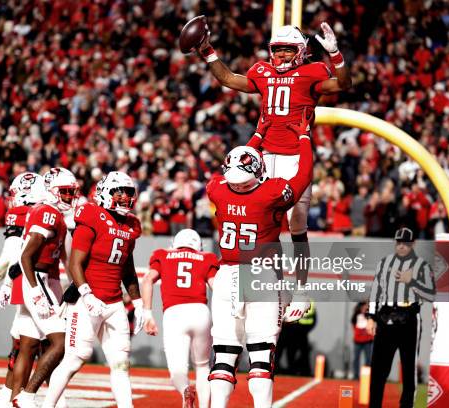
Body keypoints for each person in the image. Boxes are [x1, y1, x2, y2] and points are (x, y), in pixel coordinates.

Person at [196, 21, 351, 284]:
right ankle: (273, 283)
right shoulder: (262, 70)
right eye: (277, 49)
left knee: (297, 227)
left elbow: (343, 84)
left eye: (287, 50)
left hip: (295, 157)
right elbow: (228, 78)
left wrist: (335, 55)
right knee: (265, 225)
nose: (280, 55)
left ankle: (301, 288)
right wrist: (208, 50)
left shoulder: (313, 71)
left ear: (301, 51)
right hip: (264, 158)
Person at [205, 111, 314, 407]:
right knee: (261, 358)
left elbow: (236, 165)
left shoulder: (217, 190)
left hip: (227, 275)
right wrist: (304, 138)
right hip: (261, 274)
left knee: (225, 356)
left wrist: (258, 135)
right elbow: (303, 174)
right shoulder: (271, 192)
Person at [42, 171, 144, 408]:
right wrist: (86, 294)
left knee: (121, 364)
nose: (126, 198)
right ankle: (48, 405)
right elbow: (75, 262)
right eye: (120, 192)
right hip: (88, 299)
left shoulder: (131, 225)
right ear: (106, 193)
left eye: (129, 193)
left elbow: (127, 269)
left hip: (115, 303)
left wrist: (138, 303)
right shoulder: (92, 214)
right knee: (75, 358)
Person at [10, 168, 79, 408]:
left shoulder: (51, 213)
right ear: (51, 191)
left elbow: (66, 259)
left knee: (28, 345)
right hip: (37, 281)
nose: (71, 197)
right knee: (60, 343)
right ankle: (27, 395)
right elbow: (26, 256)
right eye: (66, 192)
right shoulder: (47, 212)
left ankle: (14, 399)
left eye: (72, 192)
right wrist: (36, 291)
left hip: (39, 280)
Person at [0, 172, 48, 408]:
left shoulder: (22, 213)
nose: (13, 198)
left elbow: (11, 252)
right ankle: (8, 393)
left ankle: (49, 399)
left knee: (37, 344)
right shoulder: (46, 211)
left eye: (16, 192)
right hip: (43, 281)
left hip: (37, 283)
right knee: (21, 341)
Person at [142, 229, 219, 408]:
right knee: (202, 366)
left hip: (174, 313)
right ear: (198, 245)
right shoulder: (207, 257)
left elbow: (147, 280)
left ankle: (185, 389)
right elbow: (217, 287)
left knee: (177, 370)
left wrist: (147, 314)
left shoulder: (162, 255)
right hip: (200, 312)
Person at [366, 227, 436, 408]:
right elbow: (375, 291)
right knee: (379, 369)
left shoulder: (422, 266)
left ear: (413, 243)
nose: (401, 246)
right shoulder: (384, 263)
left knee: (408, 368)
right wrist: (371, 317)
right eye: (398, 242)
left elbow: (430, 295)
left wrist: (411, 281)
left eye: (405, 243)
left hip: (409, 318)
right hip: (386, 316)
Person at [351, 301, 373, 379]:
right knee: (356, 359)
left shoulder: (370, 316)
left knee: (368, 359)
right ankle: (356, 375)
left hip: (368, 341)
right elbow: (353, 325)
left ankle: (366, 376)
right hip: (358, 341)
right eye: (363, 307)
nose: (364, 308)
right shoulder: (356, 315)